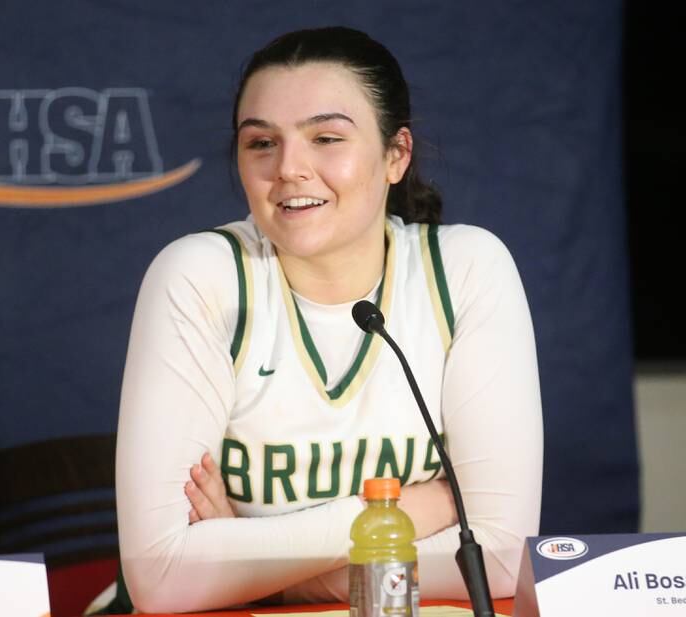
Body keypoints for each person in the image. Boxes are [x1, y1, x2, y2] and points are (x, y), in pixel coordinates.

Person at [109, 26, 543, 614]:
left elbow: (495, 561)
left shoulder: (465, 269)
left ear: (396, 155)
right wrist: (415, 511)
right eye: (261, 143)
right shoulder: (200, 277)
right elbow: (159, 578)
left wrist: (259, 573)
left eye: (326, 137)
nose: (290, 167)